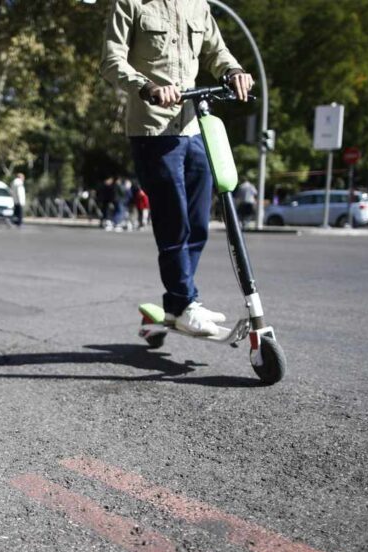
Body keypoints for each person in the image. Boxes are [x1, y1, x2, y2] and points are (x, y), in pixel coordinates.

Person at [101, 0, 253, 336]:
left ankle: (178, 304)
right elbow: (111, 60)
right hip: (152, 131)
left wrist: (234, 71)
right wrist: (147, 87)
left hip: (193, 129)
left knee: (198, 224)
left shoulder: (198, 5)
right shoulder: (130, 3)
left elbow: (217, 51)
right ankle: (185, 303)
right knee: (174, 223)